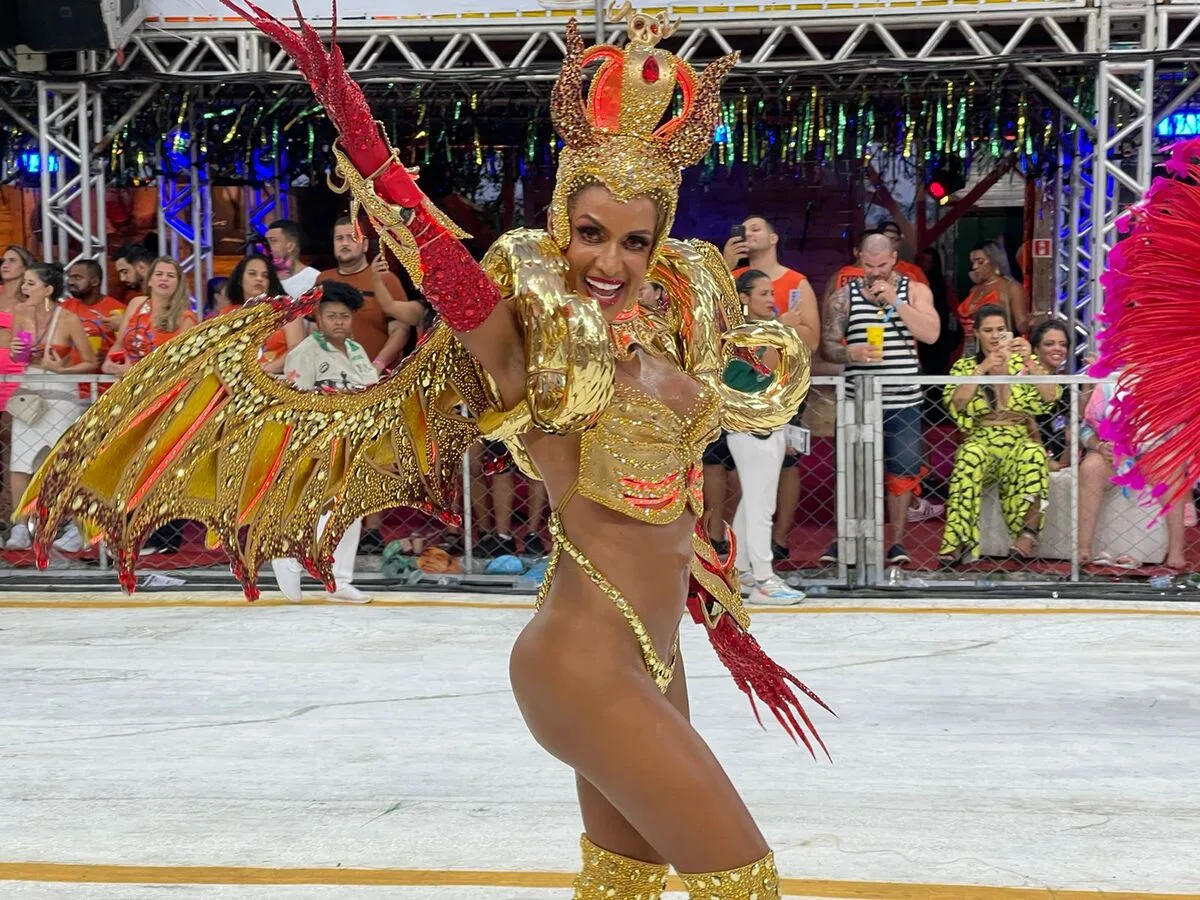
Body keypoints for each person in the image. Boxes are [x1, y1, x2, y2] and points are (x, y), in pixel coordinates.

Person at [25, 10, 830, 896]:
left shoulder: (679, 340)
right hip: (581, 661)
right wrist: (374, 160)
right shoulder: (534, 343)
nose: (610, 259)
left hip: (652, 653)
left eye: (634, 239)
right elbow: (452, 275)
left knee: (623, 887)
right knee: (743, 879)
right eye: (591, 232)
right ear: (563, 225)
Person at [820, 230, 941, 564]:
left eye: (882, 265)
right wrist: (850, 353)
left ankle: (897, 542)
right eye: (868, 264)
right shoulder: (843, 297)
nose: (875, 272)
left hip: (903, 399)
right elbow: (827, 347)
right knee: (852, 469)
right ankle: (844, 540)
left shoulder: (915, 290)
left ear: (894, 259)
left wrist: (895, 301)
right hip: (858, 399)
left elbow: (931, 334)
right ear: (860, 258)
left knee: (902, 471)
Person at [272, 281, 373, 603]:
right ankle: (289, 552)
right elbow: (295, 404)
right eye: (332, 315)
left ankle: (338, 581)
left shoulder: (357, 351)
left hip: (352, 441)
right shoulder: (305, 353)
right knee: (319, 509)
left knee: (349, 510)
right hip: (317, 444)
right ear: (318, 316)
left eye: (345, 315)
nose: (339, 322)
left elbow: (373, 390)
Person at [938, 305, 1057, 565]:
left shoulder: (1024, 364)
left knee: (1034, 455)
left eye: (1001, 330)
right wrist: (982, 370)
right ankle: (957, 541)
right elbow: (957, 403)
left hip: (1018, 438)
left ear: (1010, 332)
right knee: (969, 456)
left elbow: (1050, 396)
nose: (995, 336)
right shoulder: (966, 366)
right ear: (977, 334)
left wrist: (1028, 361)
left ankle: (1026, 537)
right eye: (988, 330)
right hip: (982, 438)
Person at [103, 256, 199, 555]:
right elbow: (119, 347)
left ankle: (164, 537)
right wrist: (111, 362)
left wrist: (138, 370)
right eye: (159, 273)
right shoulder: (136, 306)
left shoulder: (185, 317)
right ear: (150, 278)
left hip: (167, 402)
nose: (164, 279)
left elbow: (185, 364)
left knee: (161, 467)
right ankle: (126, 531)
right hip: (131, 399)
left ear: (178, 282)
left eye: (171, 275)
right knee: (129, 466)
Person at [725, 270, 807, 605]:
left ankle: (742, 570)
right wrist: (782, 331)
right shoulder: (737, 334)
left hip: (769, 423)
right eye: (763, 294)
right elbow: (765, 369)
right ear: (744, 298)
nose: (771, 300)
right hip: (749, 425)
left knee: (755, 502)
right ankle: (763, 578)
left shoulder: (762, 331)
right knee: (761, 505)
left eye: (772, 292)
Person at [5, 263, 96, 551]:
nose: (24, 288)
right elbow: (18, 353)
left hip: (60, 395)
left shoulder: (68, 319)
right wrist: (18, 353)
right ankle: (21, 525)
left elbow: (91, 361)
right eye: (25, 283)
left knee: (61, 462)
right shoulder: (20, 312)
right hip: (30, 393)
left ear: (48, 289)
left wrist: (62, 370)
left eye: (31, 283)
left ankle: (69, 523)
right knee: (21, 461)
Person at [722, 215, 820, 350]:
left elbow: (813, 343)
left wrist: (790, 327)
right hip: (741, 365)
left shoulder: (796, 282)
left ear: (773, 238)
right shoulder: (732, 278)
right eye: (743, 231)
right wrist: (724, 265)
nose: (748, 234)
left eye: (755, 230)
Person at [957, 240, 1029, 355]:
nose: (974, 267)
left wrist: (1038, 319)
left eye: (980, 262)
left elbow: (1021, 325)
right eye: (973, 262)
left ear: (995, 262)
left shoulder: (1011, 287)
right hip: (969, 349)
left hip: (998, 348)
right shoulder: (974, 289)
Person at [1027, 320, 1072, 470]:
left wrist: (1089, 383)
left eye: (1063, 344)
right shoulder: (1024, 378)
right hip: (1030, 455)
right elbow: (1026, 423)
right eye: (1049, 344)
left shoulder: (1065, 382)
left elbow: (1072, 424)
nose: (1057, 348)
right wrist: (1045, 461)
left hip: (1061, 457)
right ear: (1036, 349)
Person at [265, 218, 320, 297]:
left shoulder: (314, 278)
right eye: (266, 242)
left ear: (291, 246)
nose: (267, 246)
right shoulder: (264, 278)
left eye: (273, 241)